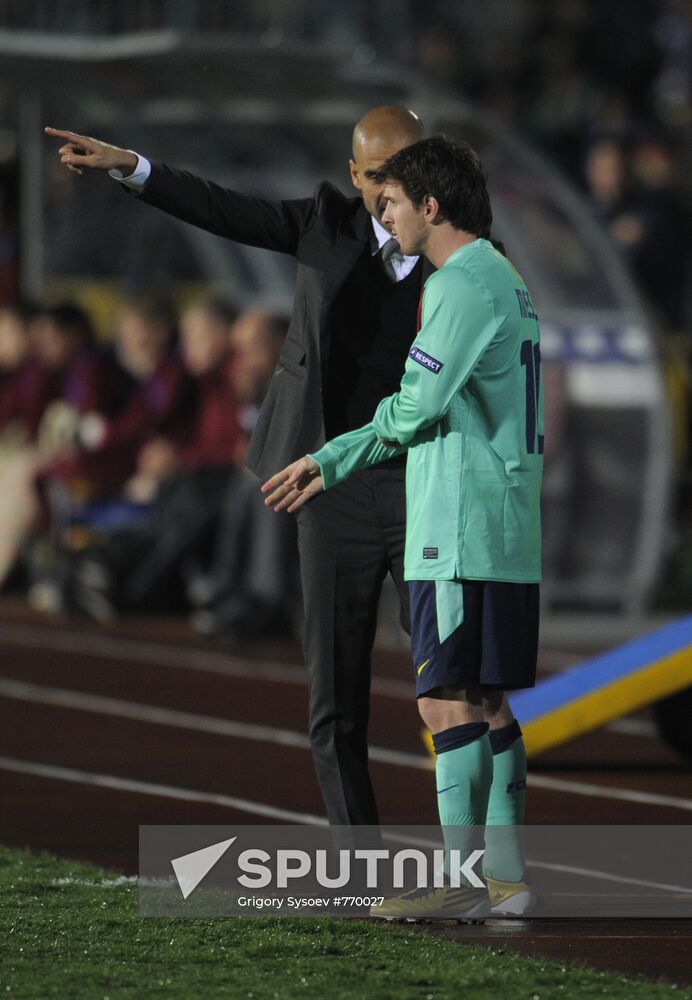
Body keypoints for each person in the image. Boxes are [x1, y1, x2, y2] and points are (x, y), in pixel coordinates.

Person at [45, 107, 430, 839]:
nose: (395, 187)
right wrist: (133, 166)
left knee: (451, 685)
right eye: (379, 173)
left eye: (410, 166)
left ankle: (481, 859)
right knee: (335, 693)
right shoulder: (325, 222)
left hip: (423, 483)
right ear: (355, 176)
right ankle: (364, 862)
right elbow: (222, 209)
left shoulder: (463, 248)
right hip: (328, 481)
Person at [263, 136, 543, 920]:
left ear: (431, 206)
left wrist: (333, 455)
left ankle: (460, 884)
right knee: (487, 702)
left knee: (442, 702)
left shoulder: (458, 286)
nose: (379, 211)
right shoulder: (510, 280)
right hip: (508, 521)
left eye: (390, 200)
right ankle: (507, 880)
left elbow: (416, 410)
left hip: (456, 523)